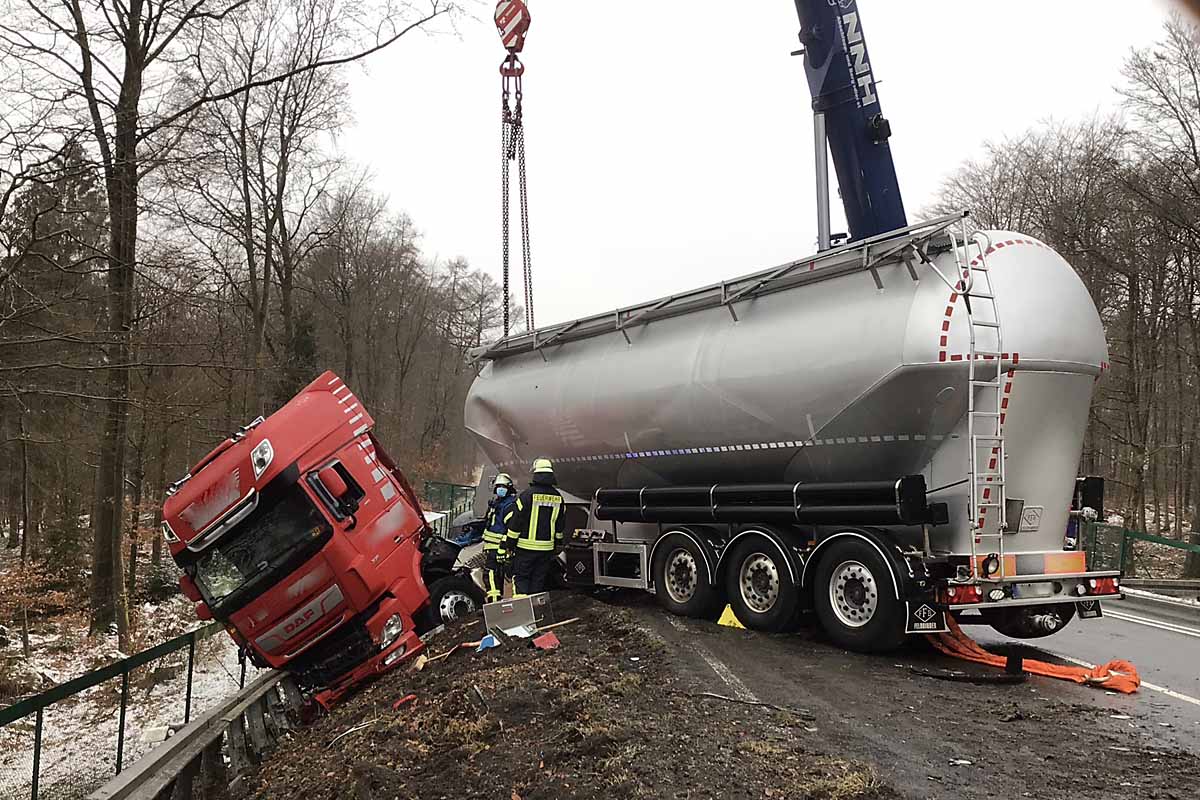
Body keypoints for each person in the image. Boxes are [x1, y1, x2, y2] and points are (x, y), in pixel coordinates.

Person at [499, 458, 564, 596]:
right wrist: (557, 544)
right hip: (546, 550)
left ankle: (522, 608)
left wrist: (509, 544)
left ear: (536, 474)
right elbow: (560, 525)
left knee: (521, 580)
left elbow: (516, 522)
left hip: (525, 549)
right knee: (538, 582)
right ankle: (536, 608)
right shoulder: (558, 497)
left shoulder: (527, 495)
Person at [482, 473, 517, 603]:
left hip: (501, 548)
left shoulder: (510, 506)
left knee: (494, 575)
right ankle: (496, 603)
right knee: (493, 576)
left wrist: (503, 549)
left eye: (503, 487)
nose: (500, 489)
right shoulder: (496, 504)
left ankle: (497, 603)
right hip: (492, 547)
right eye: (498, 486)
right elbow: (490, 523)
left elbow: (511, 530)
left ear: (509, 488)